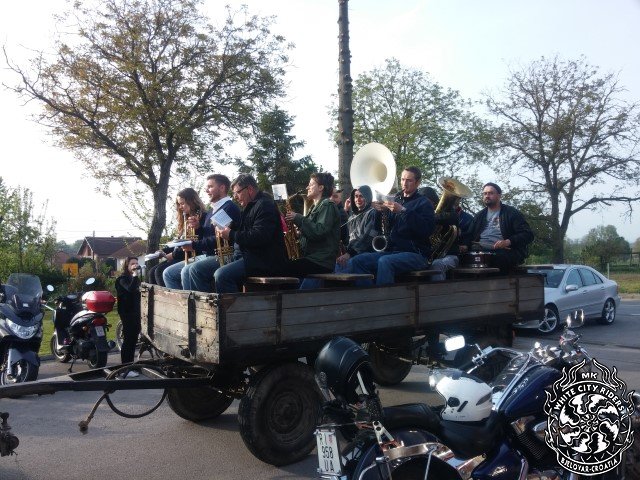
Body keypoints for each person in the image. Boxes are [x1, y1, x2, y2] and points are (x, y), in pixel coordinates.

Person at [348, 167, 435, 285]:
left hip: (417, 254)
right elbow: (379, 229)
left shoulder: (424, 202)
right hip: (394, 251)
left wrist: (403, 211)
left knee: (385, 261)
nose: (404, 183)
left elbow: (427, 229)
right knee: (357, 261)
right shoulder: (395, 199)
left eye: (409, 180)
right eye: (402, 179)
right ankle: (368, 295)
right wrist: (379, 211)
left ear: (418, 182)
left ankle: (384, 296)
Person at [214, 174, 287, 294]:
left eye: (237, 192)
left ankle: (237, 306)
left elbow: (260, 236)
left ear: (249, 189)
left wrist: (231, 234)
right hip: (249, 257)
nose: (235, 197)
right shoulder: (250, 206)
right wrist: (230, 227)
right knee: (199, 270)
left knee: (222, 275)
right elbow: (246, 231)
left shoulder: (264, 205)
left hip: (263, 261)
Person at [180, 174, 241, 292]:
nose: (206, 190)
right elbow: (208, 235)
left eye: (210, 187)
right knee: (183, 271)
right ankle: (191, 302)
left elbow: (221, 238)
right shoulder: (212, 210)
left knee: (194, 270)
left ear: (222, 188)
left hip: (224, 255)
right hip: (210, 254)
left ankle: (205, 303)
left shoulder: (229, 208)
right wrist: (198, 227)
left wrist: (194, 245)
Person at [461, 182, 534, 273]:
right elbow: (469, 235)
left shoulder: (511, 213)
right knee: (461, 258)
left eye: (490, 193)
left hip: (506, 252)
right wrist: (465, 245)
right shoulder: (479, 216)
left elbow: (528, 234)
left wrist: (507, 242)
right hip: (481, 251)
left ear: (499, 196)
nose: (487, 196)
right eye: (485, 193)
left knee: (497, 258)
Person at [283, 172, 341, 277]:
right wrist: (298, 234)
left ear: (321, 187)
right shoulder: (315, 207)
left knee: (283, 269)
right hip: (314, 258)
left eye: (311, 184)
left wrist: (299, 218)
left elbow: (319, 231)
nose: (307, 187)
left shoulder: (327, 205)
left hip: (321, 261)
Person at [162, 188, 208, 289]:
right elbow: (180, 241)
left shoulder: (203, 217)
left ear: (192, 201)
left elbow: (200, 241)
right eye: (179, 204)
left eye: (182, 203)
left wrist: (174, 255)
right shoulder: (185, 219)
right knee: (155, 271)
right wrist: (164, 251)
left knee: (165, 272)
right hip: (183, 253)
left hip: (192, 254)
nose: (180, 207)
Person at [336, 185, 379, 271]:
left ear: (367, 197)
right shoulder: (352, 217)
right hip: (352, 254)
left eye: (361, 196)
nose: (358, 199)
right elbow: (347, 238)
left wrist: (349, 253)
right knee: (336, 265)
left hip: (367, 254)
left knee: (350, 264)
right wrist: (345, 210)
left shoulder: (372, 213)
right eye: (356, 196)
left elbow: (367, 239)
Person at [115, 256, 141, 375]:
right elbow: (130, 289)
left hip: (135, 312)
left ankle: (130, 366)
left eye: (136, 263)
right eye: (132, 264)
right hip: (126, 312)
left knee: (133, 340)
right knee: (128, 340)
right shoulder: (122, 279)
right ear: (127, 266)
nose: (135, 265)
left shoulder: (135, 278)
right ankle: (124, 368)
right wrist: (135, 275)